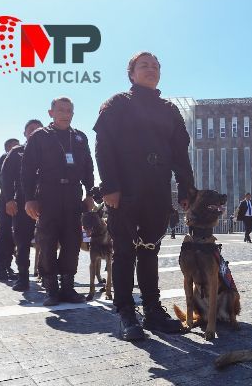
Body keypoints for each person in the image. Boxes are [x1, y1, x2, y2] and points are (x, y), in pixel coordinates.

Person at [94, 51, 195, 341]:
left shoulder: (169, 110)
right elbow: (103, 146)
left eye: (155, 66)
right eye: (144, 65)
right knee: (124, 251)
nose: (150, 69)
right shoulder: (117, 104)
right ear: (132, 73)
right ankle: (126, 311)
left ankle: (152, 309)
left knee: (150, 250)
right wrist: (110, 186)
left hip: (157, 189)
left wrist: (186, 189)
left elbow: (180, 154)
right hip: (124, 190)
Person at [22, 98, 94, 305]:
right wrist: (29, 199)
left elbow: (88, 167)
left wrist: (89, 193)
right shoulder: (39, 137)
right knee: (47, 241)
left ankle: (68, 288)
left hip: (73, 193)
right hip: (48, 193)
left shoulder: (79, 137)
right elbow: (27, 170)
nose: (65, 114)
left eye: (69, 110)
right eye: (60, 110)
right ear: (51, 112)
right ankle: (51, 289)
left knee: (72, 241)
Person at [2, 119, 44, 291]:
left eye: (38, 129)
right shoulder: (16, 152)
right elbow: (6, 176)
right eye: (31, 130)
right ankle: (23, 278)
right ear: (24, 133)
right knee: (22, 241)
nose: (34, 132)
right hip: (22, 202)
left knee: (49, 241)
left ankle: (48, 278)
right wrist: (9, 199)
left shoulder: (49, 149)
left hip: (47, 201)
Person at [0, 138, 21, 281]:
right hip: (6, 201)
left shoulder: (22, 157)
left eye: (18, 144)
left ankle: (8, 266)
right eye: (13, 145)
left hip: (19, 202)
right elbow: (4, 181)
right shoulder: (4, 159)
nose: (17, 147)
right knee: (4, 235)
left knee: (13, 237)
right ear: (7, 148)